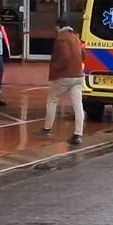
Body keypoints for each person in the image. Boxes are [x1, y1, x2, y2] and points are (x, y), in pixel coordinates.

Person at [41, 17, 85, 146]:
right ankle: (78, 133)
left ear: (58, 27)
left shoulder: (61, 39)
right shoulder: (76, 37)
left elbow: (65, 57)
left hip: (65, 76)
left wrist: (56, 68)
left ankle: (47, 128)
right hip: (78, 75)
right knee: (78, 105)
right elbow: (84, 54)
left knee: (52, 99)